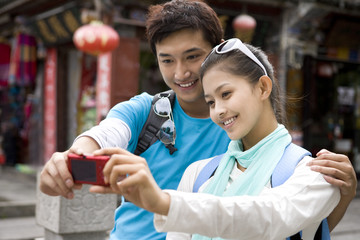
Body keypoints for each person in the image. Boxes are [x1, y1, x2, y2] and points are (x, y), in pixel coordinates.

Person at [39, 0, 357, 239]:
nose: (181, 73)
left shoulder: (294, 164)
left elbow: (281, 218)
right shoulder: (153, 118)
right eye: (167, 60)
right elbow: (106, 134)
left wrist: (338, 197)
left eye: (193, 57)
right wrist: (71, 158)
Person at [89, 38, 343, 239]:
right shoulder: (199, 174)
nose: (218, 110)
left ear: (263, 87)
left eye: (226, 94)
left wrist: (163, 202)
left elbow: (268, 217)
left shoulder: (315, 173)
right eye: (210, 101)